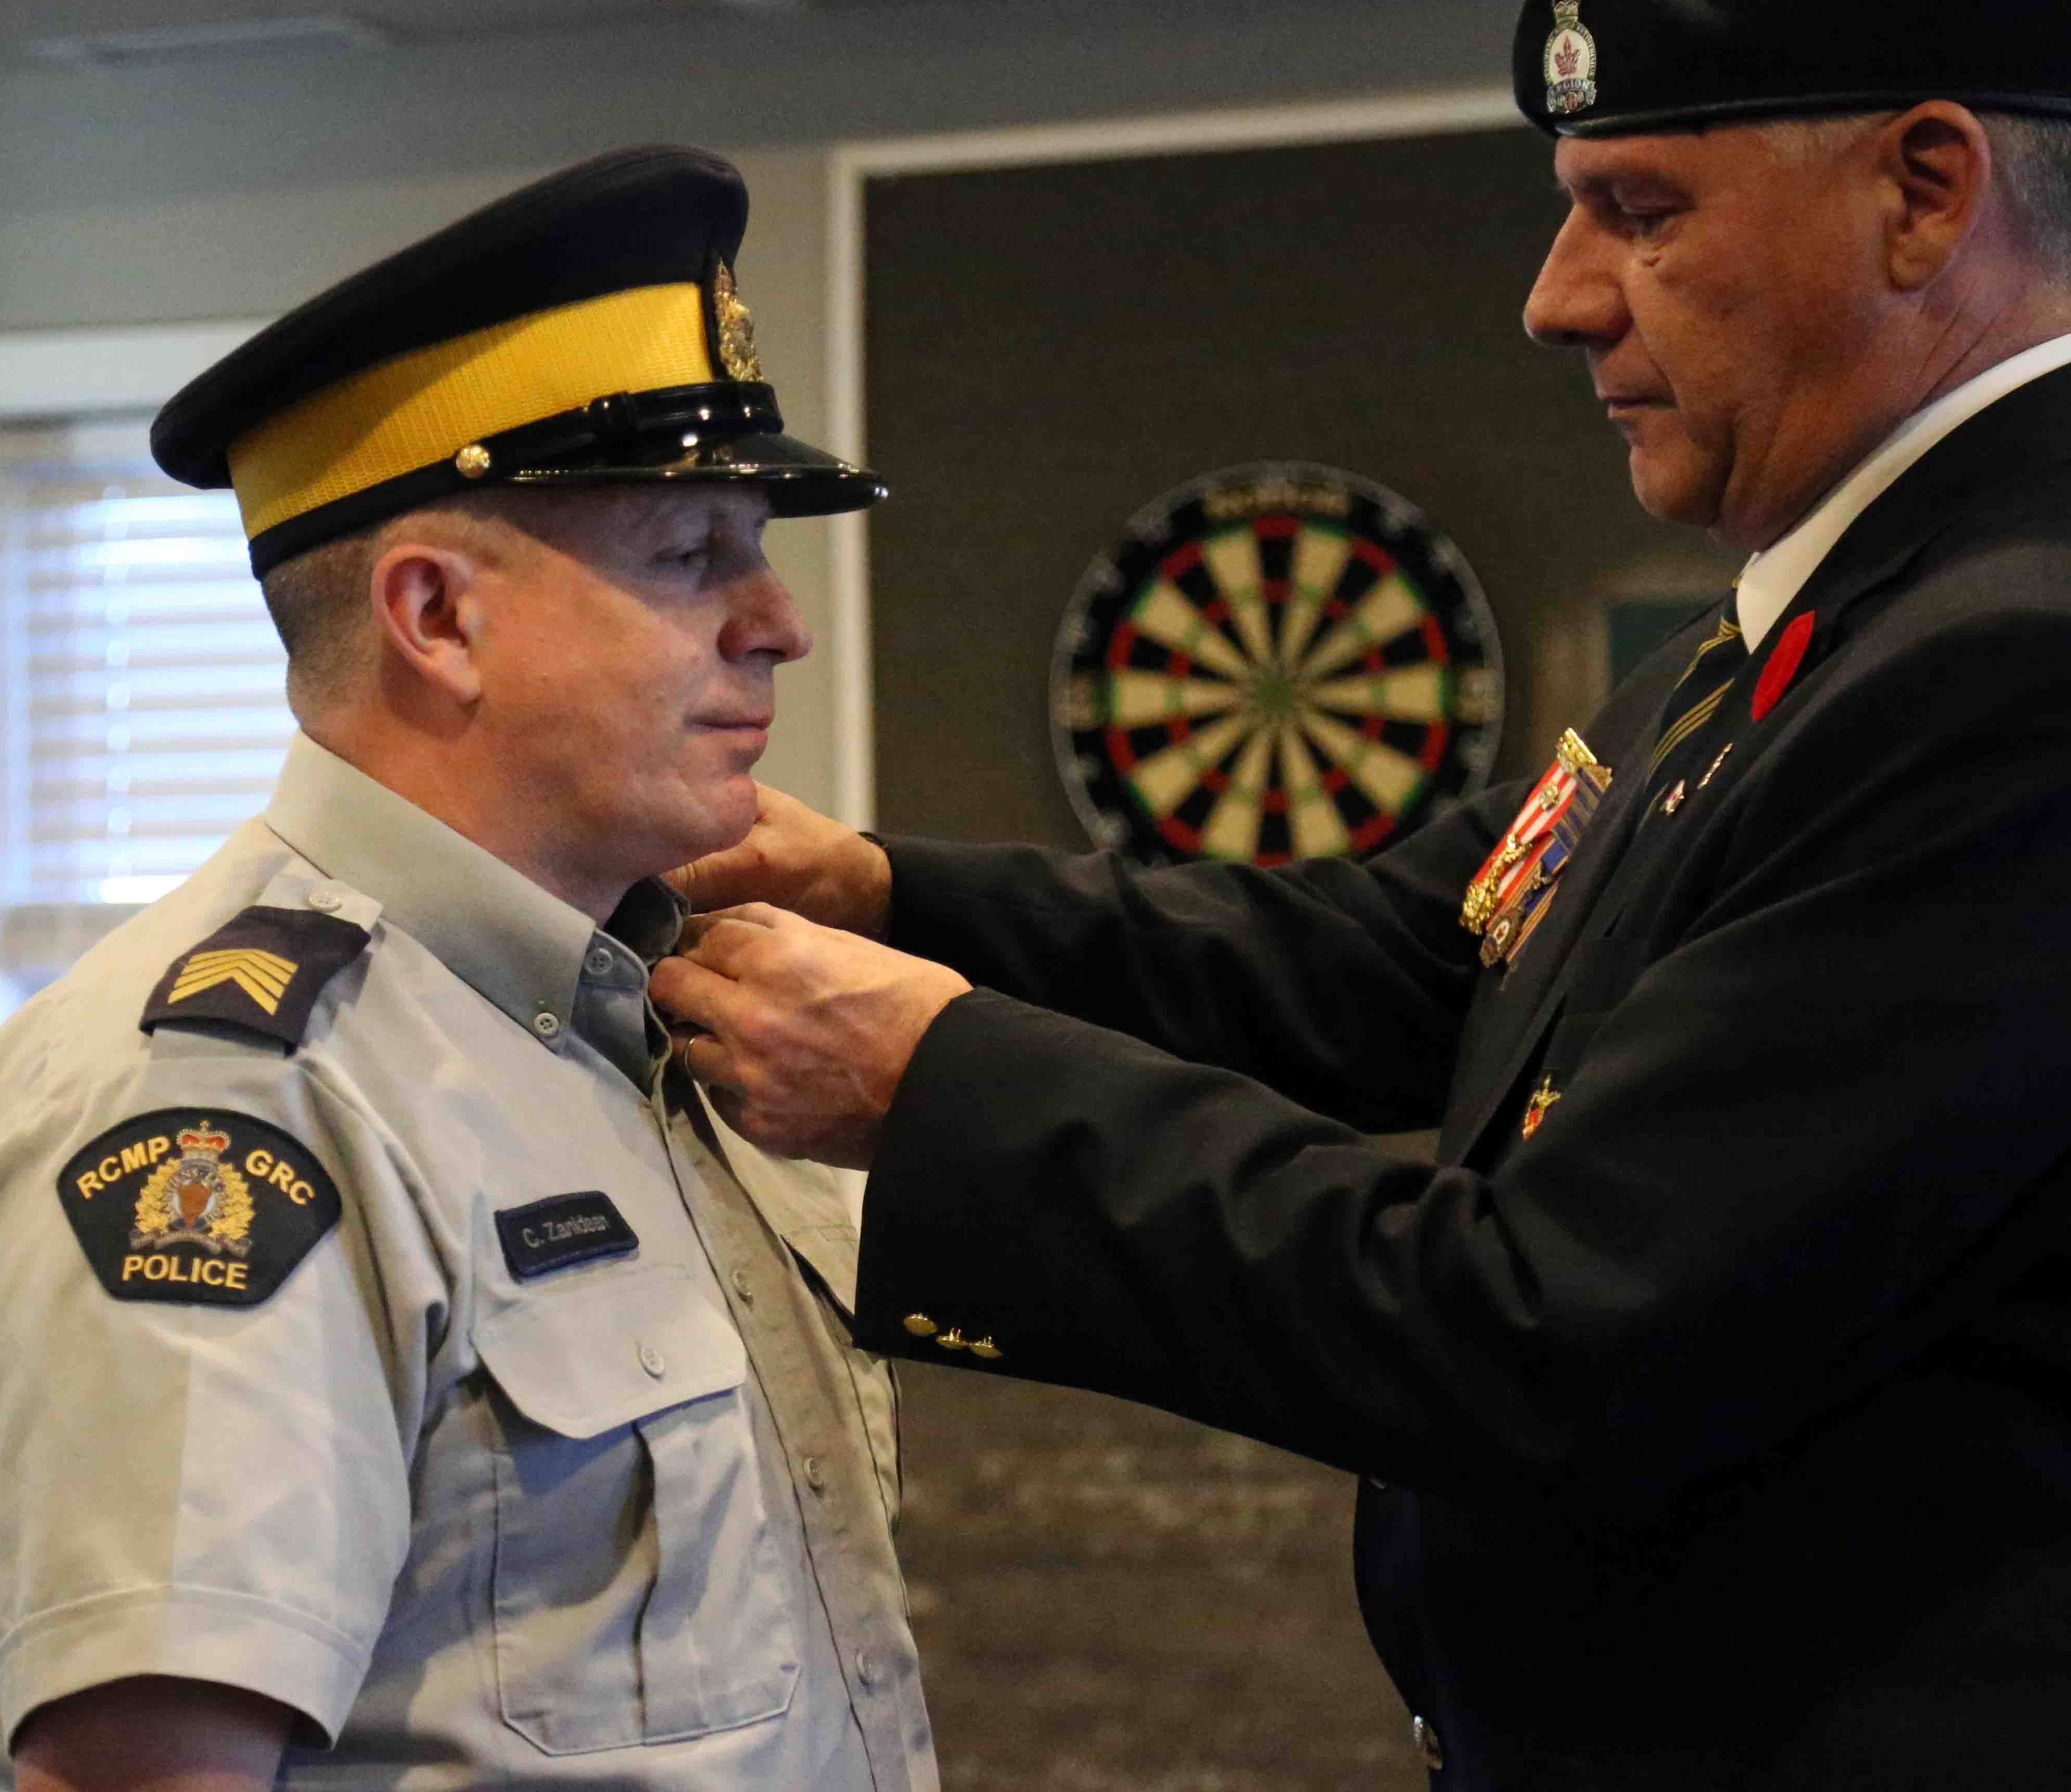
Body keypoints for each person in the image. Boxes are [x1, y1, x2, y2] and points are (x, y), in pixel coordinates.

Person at [650, 5, 2071, 1786]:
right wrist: (879, 893)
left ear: (1926, 195)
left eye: (1641, 210)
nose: (1560, 297)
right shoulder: (1839, 604)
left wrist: (942, 1087)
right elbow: (1420, 953)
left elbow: (1547, 1325)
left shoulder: (2006, 656)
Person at [0, 145, 936, 1792]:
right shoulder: (232, 1102)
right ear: (435, 615)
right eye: (692, 553)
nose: (776, 621)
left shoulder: (664, 1028)